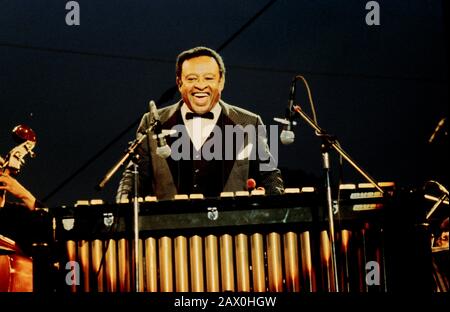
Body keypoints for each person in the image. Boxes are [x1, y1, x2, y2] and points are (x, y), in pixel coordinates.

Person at [117, 46, 284, 201]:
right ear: (179, 82)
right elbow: (135, 174)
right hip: (171, 228)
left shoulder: (249, 122)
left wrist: (275, 205)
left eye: (208, 78)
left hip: (230, 228)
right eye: (191, 78)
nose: (201, 85)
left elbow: (269, 175)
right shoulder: (152, 122)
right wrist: (122, 204)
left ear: (221, 81)